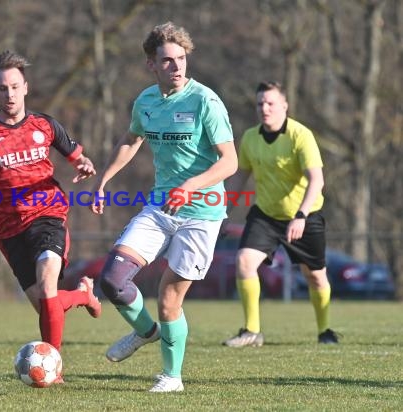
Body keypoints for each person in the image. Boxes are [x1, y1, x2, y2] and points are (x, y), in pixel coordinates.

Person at [90, 22, 238, 392]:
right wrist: (103, 180)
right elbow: (130, 139)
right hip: (160, 206)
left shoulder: (205, 101)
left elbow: (229, 162)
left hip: (202, 214)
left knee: (169, 297)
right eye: (168, 61)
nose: (177, 67)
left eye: (181, 59)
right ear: (151, 65)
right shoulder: (146, 102)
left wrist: (190, 185)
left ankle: (172, 377)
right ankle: (146, 332)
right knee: (111, 279)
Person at [0, 51, 102, 367]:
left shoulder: (45, 125)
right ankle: (83, 295)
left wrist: (86, 166)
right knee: (47, 305)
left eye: (15, 87)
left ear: (26, 88)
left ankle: (53, 367)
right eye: (2, 88)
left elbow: (79, 158)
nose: (9, 94)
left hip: (48, 215)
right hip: (9, 229)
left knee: (48, 284)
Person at [222, 81, 340, 348]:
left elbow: (316, 180)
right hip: (265, 216)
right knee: (244, 261)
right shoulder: (251, 138)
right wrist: (224, 211)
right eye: (260, 103)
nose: (265, 108)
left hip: (305, 216)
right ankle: (251, 331)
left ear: (284, 106)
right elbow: (241, 176)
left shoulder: (301, 135)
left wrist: (300, 215)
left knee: (316, 276)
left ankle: (325, 330)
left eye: (271, 103)